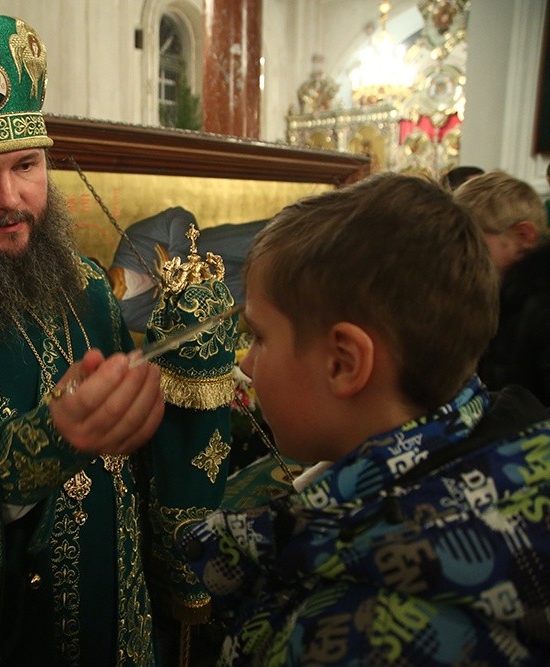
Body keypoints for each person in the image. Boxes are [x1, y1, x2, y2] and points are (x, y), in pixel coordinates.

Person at [0, 8, 237, 666]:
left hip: (119, 609)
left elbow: (137, 460)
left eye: (26, 165)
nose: (11, 198)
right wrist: (50, 439)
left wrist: (188, 374)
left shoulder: (83, 281)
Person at [180, 173, 550, 665]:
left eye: (260, 337)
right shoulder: (504, 455)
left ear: (343, 363)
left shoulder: (351, 632)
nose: (247, 365)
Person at [454, 170, 550, 404]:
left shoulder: (540, 308)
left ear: (524, 236)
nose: (463, 258)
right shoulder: (492, 296)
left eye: (475, 244)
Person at [108, 206, 266, 333]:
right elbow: (173, 327)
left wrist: (177, 258)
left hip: (224, 247)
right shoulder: (128, 314)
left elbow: (178, 216)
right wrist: (176, 290)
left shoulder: (132, 240)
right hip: (227, 290)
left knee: (274, 250)